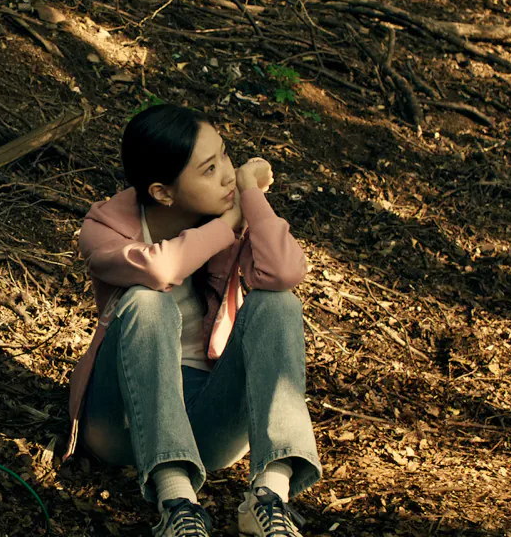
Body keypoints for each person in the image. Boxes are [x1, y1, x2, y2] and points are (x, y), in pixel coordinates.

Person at [65, 105, 321, 537]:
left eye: (225, 156)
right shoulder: (104, 229)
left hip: (207, 423)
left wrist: (252, 197)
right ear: (163, 193)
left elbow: (284, 273)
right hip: (120, 421)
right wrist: (230, 221)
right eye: (209, 169)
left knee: (279, 304)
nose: (227, 175)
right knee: (147, 301)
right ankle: (177, 503)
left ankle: (269, 497)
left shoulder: (231, 208)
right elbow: (160, 269)